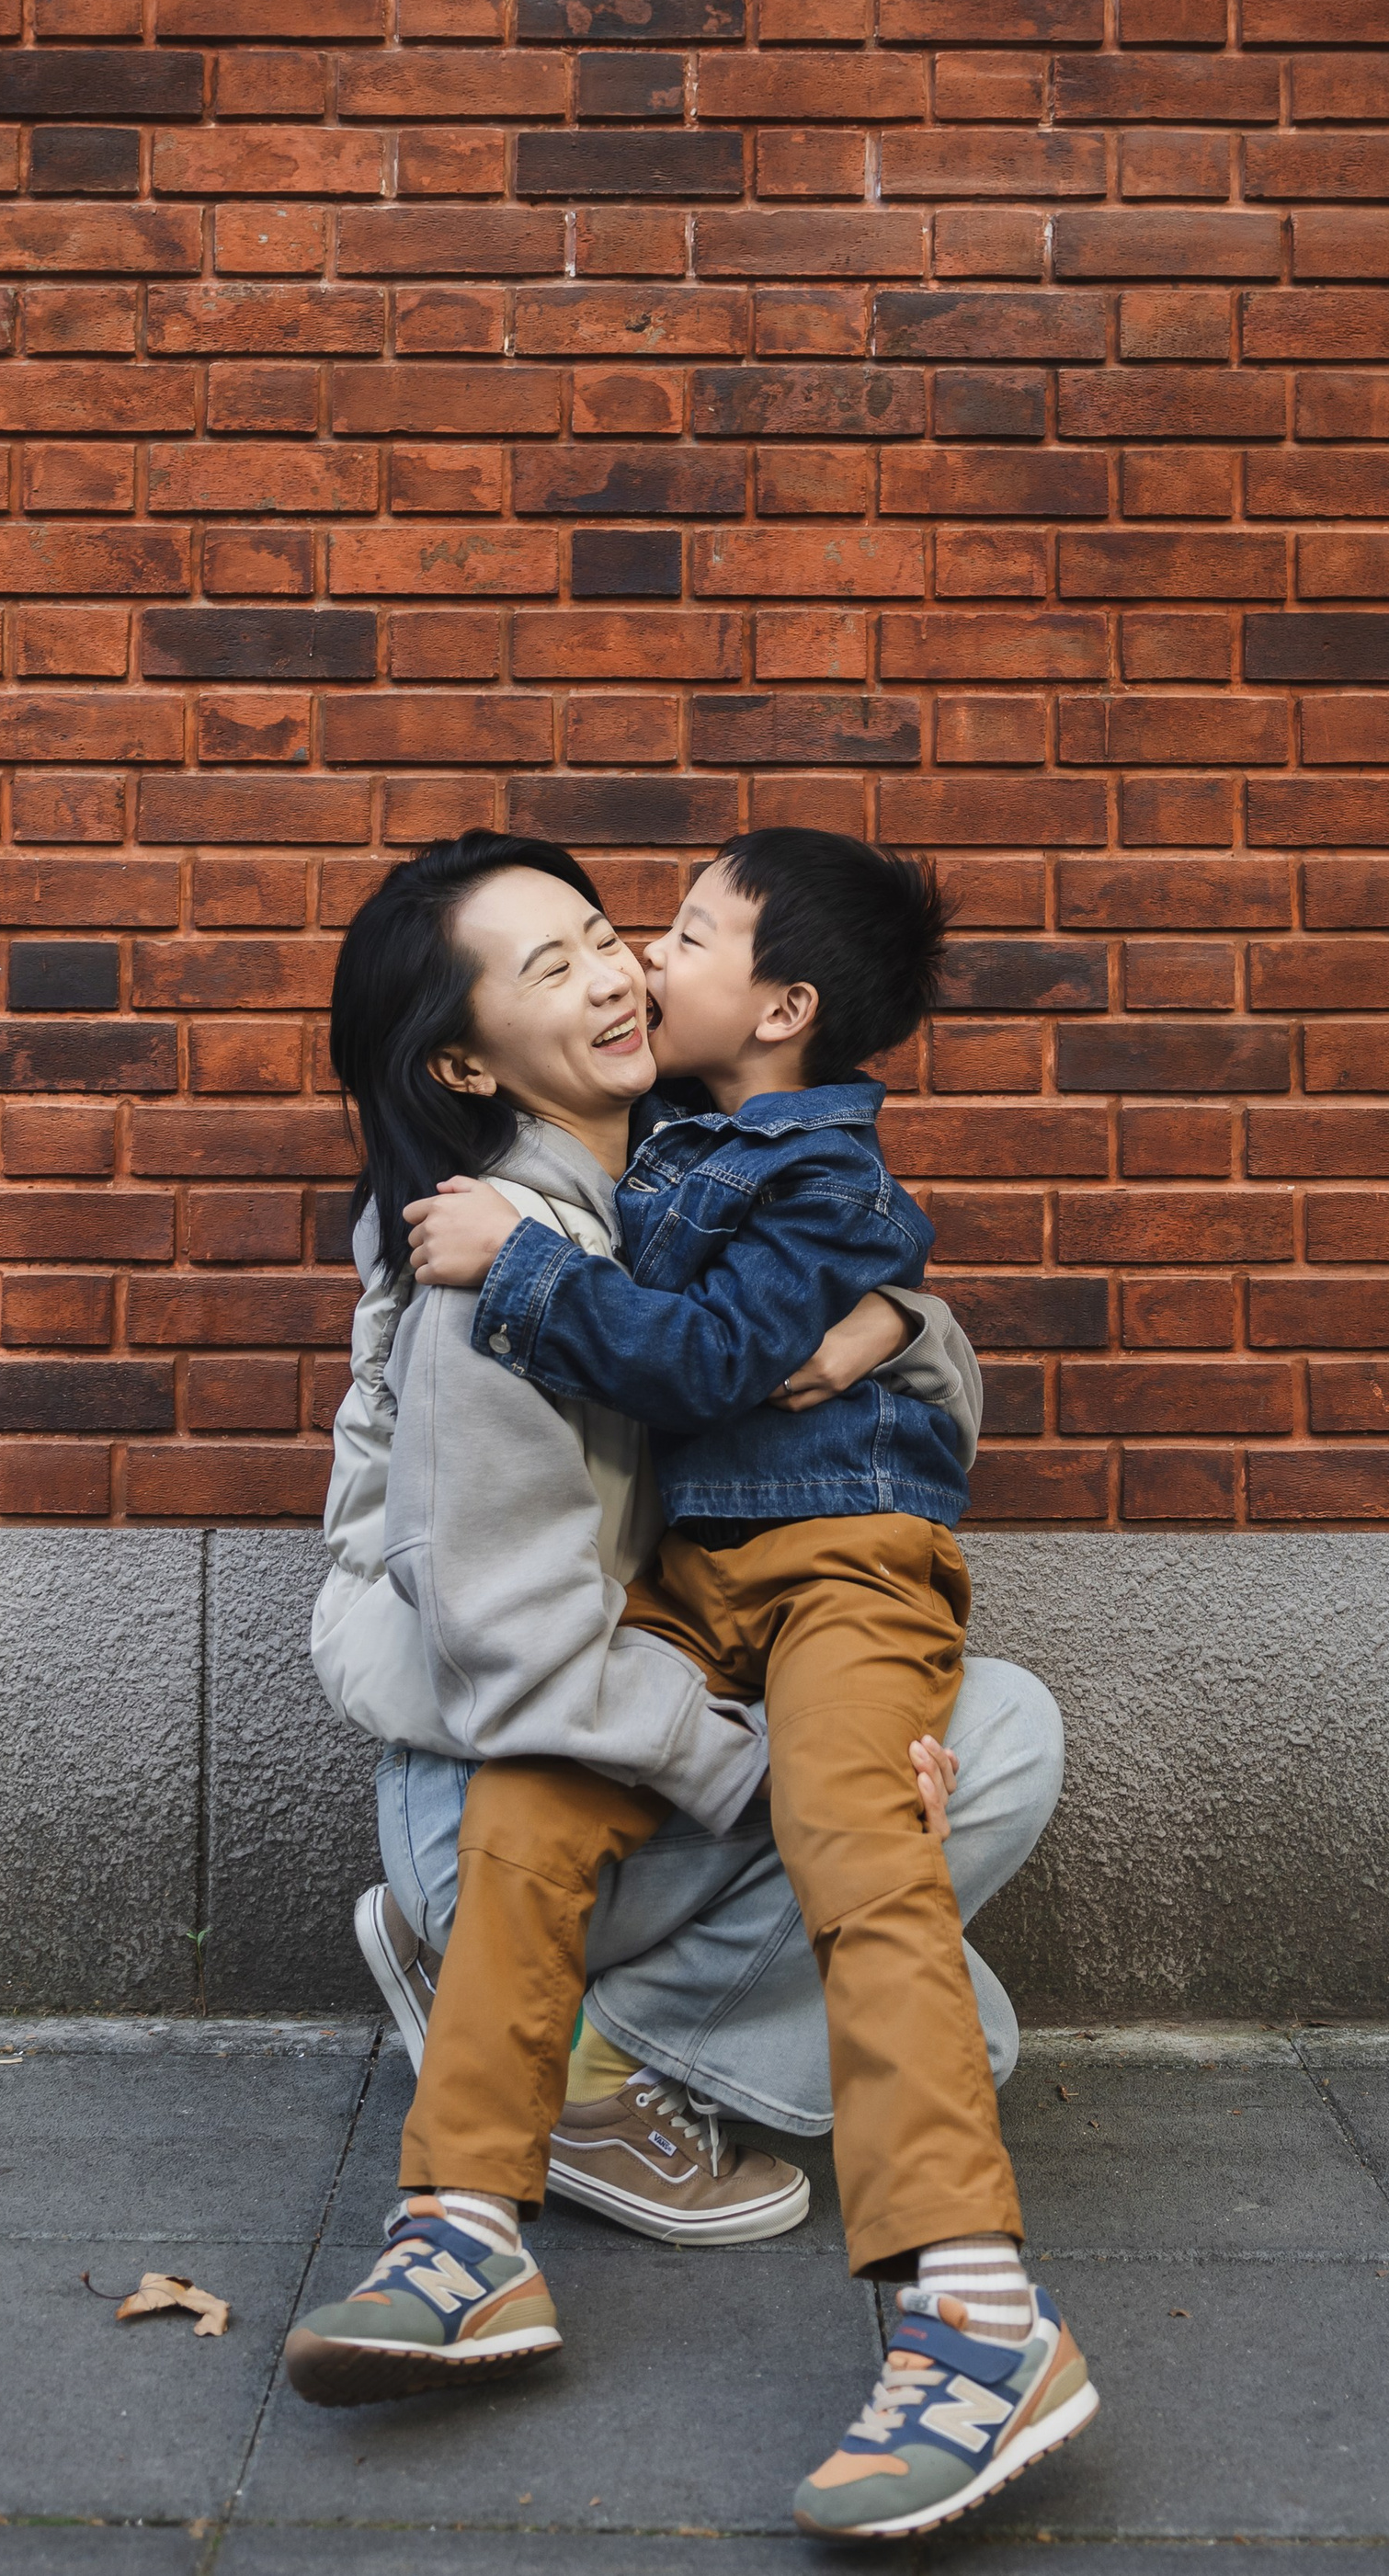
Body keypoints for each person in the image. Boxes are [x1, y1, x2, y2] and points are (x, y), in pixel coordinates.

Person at [289, 831, 1097, 2547]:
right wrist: (789, 1766)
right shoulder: (499, 1253)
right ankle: (465, 2225)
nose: (627, 968)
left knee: (926, 1873)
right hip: (545, 1707)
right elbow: (532, 1650)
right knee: (607, 1817)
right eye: (567, 961)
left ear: (780, 1007)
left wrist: (895, 1322)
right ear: (466, 1063)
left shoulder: (688, 1144)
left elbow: (799, 1314)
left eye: (638, 933)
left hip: (818, 1577)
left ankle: (976, 2314)